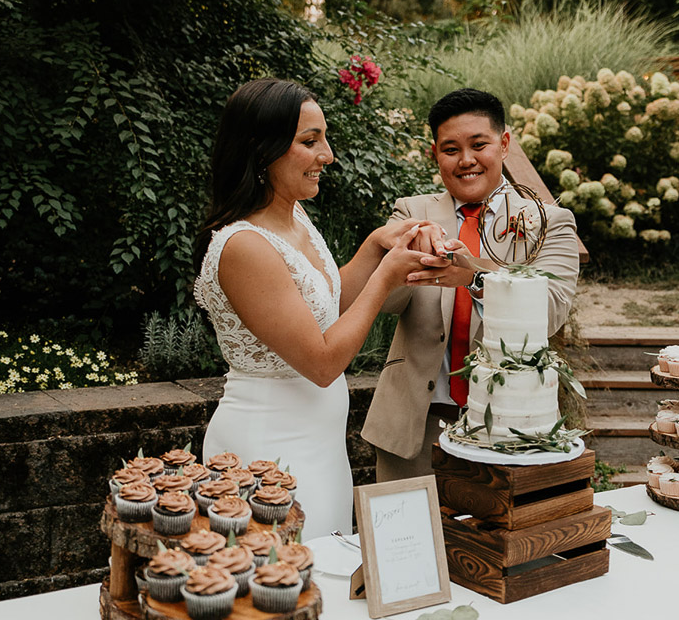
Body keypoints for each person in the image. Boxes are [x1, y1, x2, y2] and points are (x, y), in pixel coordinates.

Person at [193, 77, 447, 538]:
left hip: (321, 448)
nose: (327, 155)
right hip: (268, 450)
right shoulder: (244, 245)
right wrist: (387, 275)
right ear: (261, 150)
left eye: (324, 139)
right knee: (279, 586)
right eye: (310, 141)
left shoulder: (296, 218)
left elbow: (328, 306)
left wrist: (374, 247)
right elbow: (323, 361)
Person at [362, 87, 580, 482]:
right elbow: (388, 301)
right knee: (408, 540)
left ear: (504, 144)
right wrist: (401, 259)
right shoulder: (411, 212)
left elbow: (548, 312)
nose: (466, 161)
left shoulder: (550, 221)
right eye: (450, 149)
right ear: (435, 154)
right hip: (415, 421)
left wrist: (476, 278)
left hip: (508, 431)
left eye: (479, 145)